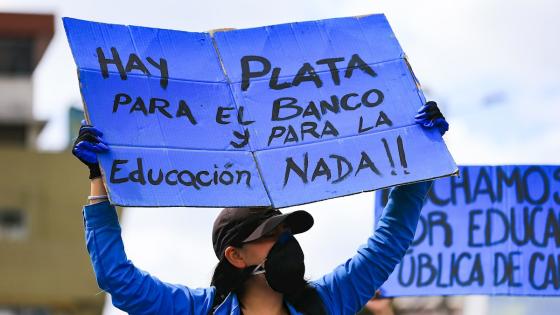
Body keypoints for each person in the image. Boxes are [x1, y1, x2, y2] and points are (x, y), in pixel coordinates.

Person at [72, 101, 449, 315]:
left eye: (285, 232)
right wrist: (99, 181)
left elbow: (388, 243)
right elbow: (118, 280)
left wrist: (419, 159)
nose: (286, 242)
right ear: (235, 256)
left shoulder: (328, 300)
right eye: (271, 235)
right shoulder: (197, 310)